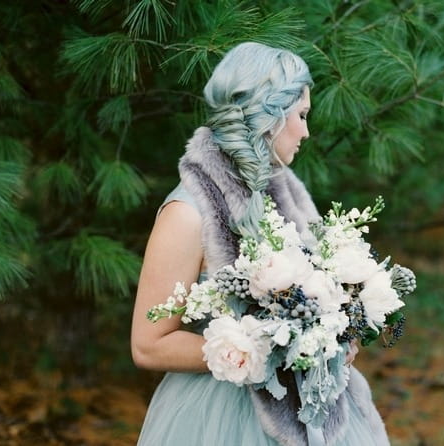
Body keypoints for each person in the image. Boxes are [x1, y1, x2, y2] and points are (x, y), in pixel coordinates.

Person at [131, 42, 390, 446]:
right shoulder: (188, 213)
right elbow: (148, 346)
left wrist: (338, 335)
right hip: (220, 416)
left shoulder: (287, 197)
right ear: (269, 114)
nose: (306, 130)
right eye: (301, 115)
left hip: (315, 411)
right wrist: (265, 348)